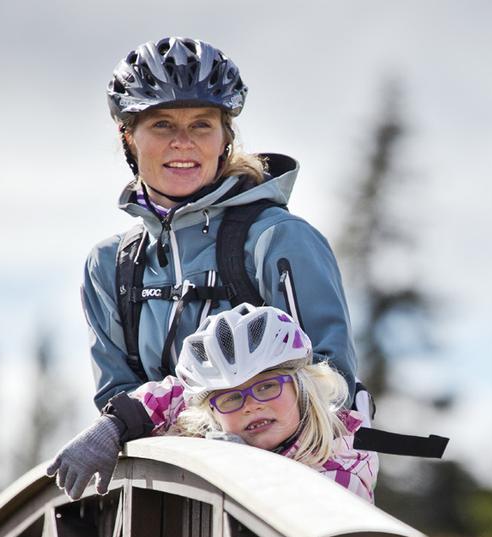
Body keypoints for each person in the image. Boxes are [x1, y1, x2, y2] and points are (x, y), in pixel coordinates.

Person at [83, 36, 357, 412]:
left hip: (279, 464)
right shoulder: (110, 266)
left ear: (226, 137)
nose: (183, 142)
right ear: (128, 137)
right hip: (165, 470)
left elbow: (330, 384)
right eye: (162, 124)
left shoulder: (277, 239)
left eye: (201, 125)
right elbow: (117, 400)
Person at [48, 305, 377, 502]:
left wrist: (240, 466)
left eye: (266, 387)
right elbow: (173, 397)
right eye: (231, 397)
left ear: (302, 388)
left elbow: (301, 509)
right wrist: (114, 423)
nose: (250, 406)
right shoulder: (209, 424)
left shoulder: (344, 459)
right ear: (211, 414)